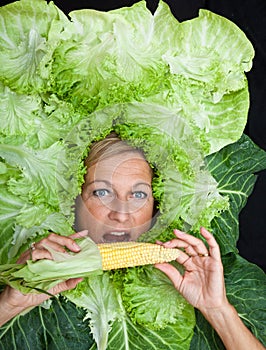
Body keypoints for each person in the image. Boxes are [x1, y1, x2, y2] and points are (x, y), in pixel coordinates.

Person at [0, 133, 264, 350]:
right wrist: (10, 304)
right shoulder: (29, 279)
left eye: (138, 194)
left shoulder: (205, 286)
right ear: (73, 201)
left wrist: (217, 310)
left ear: (155, 207)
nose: (121, 213)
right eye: (101, 192)